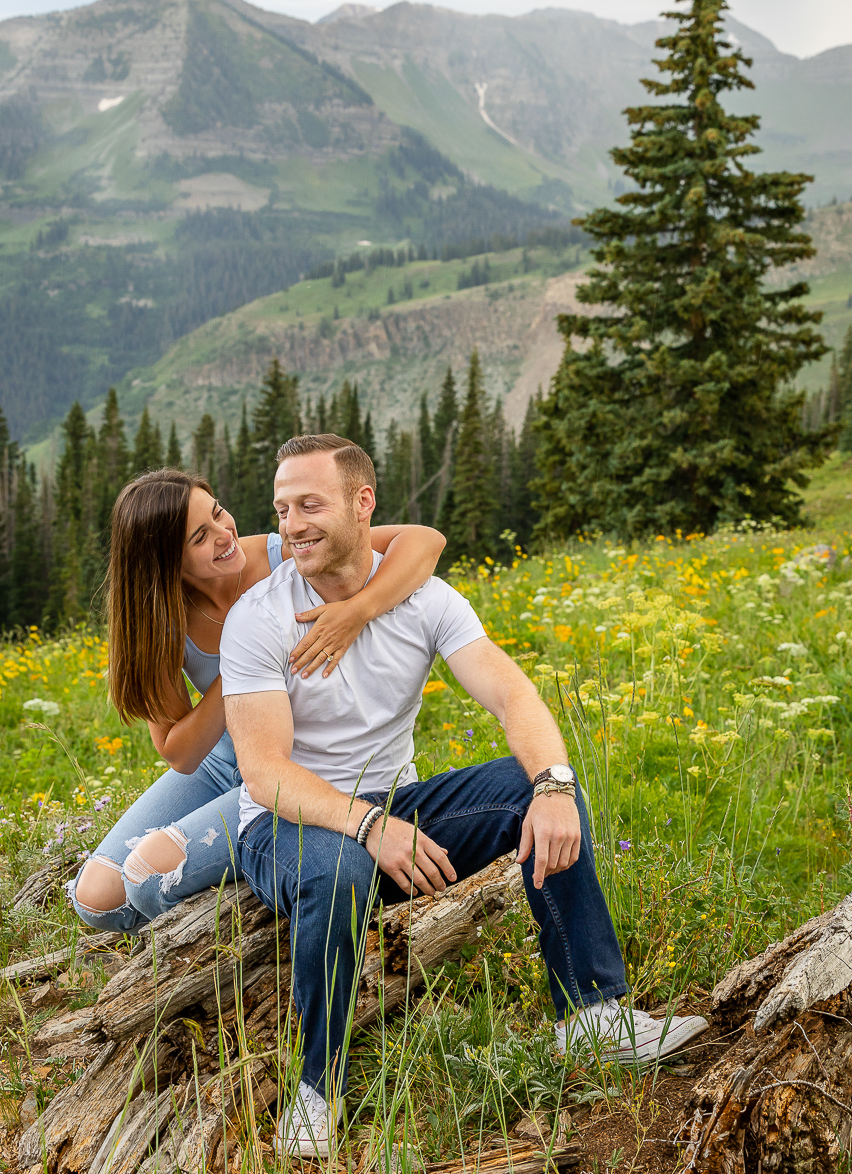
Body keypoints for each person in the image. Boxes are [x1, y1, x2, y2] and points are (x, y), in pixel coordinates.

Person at [220, 434, 709, 1158]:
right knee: (337, 866)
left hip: (394, 803)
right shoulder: (259, 617)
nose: (290, 524)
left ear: (363, 504)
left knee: (532, 788)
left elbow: (511, 693)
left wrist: (553, 784)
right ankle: (318, 1088)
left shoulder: (425, 600)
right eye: (282, 508)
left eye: (309, 505)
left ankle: (591, 1016)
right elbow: (265, 772)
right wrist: (366, 827)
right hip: (287, 824)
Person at [68, 467, 446, 934]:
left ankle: (278, 860)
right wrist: (243, 659)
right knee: (98, 899)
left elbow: (424, 540)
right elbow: (180, 753)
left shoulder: (278, 553)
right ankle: (249, 862)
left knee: (150, 876)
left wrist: (357, 611)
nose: (225, 535)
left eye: (219, 513)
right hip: (223, 763)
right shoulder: (163, 619)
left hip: (295, 762)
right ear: (164, 562)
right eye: (199, 538)